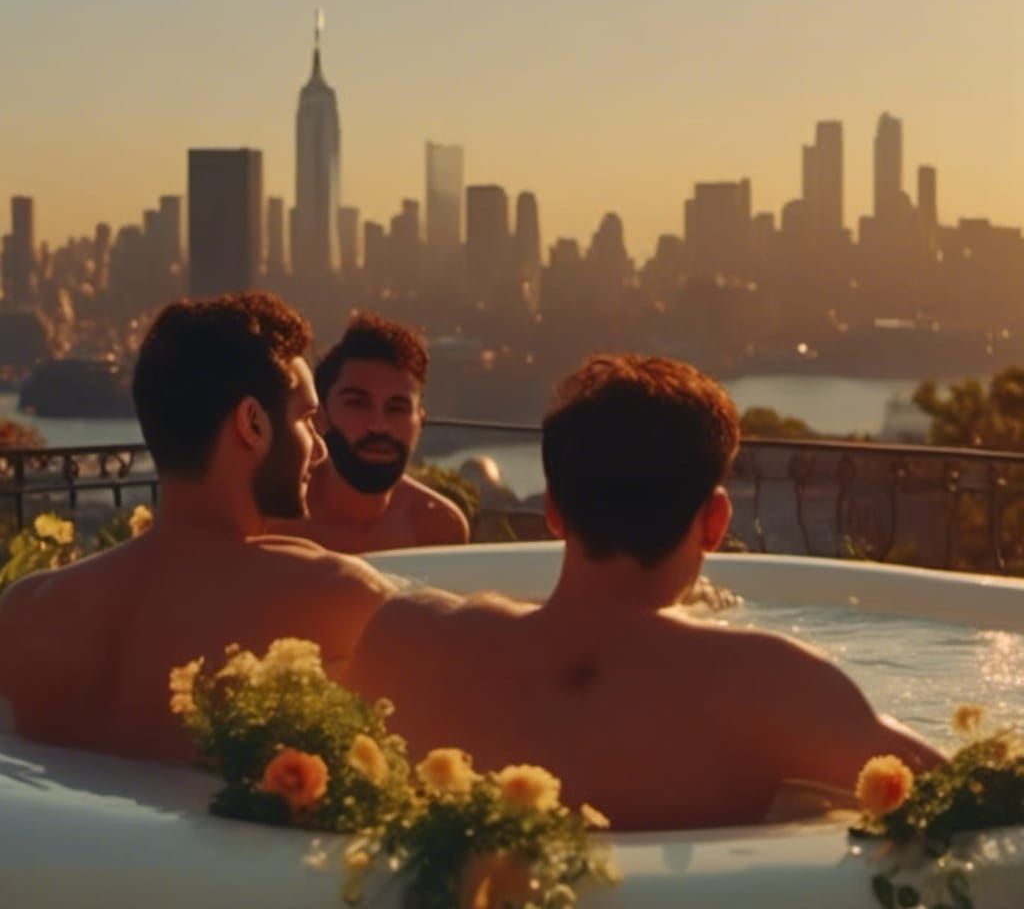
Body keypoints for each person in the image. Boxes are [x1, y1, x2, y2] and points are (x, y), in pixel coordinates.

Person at [348, 354, 945, 831]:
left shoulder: (406, 635)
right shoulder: (773, 685)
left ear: (554, 511)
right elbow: (969, 795)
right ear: (715, 522)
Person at [0, 293, 394, 762]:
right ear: (253, 423)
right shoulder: (336, 598)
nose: (321, 450)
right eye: (307, 419)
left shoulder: (28, 609)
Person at [270, 312, 469, 554]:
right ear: (319, 416)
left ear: (420, 421)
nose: (379, 425)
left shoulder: (436, 526)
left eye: (397, 408)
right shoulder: (273, 521)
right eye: (357, 403)